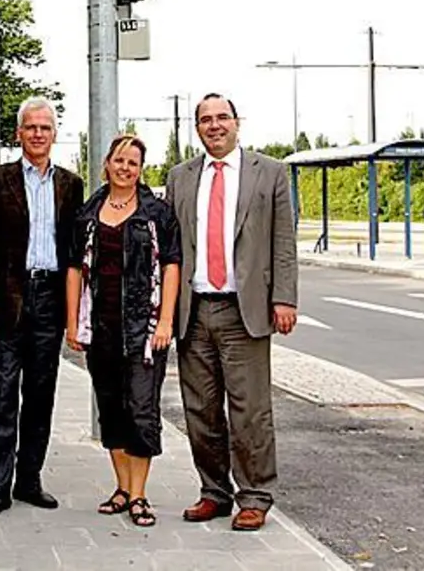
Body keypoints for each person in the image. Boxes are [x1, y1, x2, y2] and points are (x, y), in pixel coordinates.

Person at [164, 93, 298, 531]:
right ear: (197, 128)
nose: (215, 125)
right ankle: (214, 492)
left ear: (237, 122)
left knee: (249, 410)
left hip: (246, 311)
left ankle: (255, 495)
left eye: (222, 117)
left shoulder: (270, 173)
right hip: (194, 310)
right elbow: (169, 248)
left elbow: (284, 242)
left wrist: (285, 299)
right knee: (200, 410)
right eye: (206, 119)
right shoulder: (180, 177)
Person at [0, 96, 84, 518]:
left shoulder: (71, 184)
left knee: (40, 394)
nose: (38, 134)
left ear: (55, 134)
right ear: (18, 134)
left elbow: (75, 252)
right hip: (6, 303)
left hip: (50, 299)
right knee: (1, 394)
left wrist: (75, 314)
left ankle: (29, 479)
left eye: (45, 128)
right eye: (31, 127)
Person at [64, 134, 183, 527]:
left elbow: (171, 265)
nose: (125, 167)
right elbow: (75, 270)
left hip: (144, 329)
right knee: (111, 408)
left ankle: (140, 494)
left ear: (140, 168)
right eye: (119, 160)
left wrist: (165, 321)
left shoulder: (157, 213)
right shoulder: (87, 214)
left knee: (142, 409)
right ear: (107, 163)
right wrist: (71, 324)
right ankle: (121, 487)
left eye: (133, 162)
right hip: (101, 328)